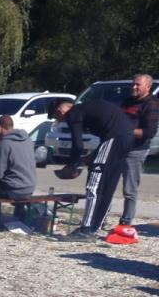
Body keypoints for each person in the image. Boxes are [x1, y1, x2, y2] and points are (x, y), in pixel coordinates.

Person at [48, 97, 133, 239]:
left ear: (60, 111)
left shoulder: (74, 113)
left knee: (95, 185)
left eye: (57, 117)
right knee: (107, 186)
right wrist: (90, 157)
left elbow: (78, 144)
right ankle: (94, 228)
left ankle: (86, 229)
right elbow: (105, 135)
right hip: (127, 138)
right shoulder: (88, 108)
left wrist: (71, 165)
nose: (61, 121)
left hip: (114, 137)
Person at [0, 114, 38, 234]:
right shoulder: (28, 140)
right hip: (30, 187)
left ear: (0, 128)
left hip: (14, 190)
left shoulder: (5, 144)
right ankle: (20, 215)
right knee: (16, 180)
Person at [119, 74, 158, 226]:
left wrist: (127, 131)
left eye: (138, 85)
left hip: (136, 150)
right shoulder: (127, 101)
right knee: (107, 184)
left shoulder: (151, 104)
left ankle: (126, 221)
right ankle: (100, 218)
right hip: (118, 147)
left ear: (148, 87)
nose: (134, 87)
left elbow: (149, 132)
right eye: (133, 84)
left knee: (129, 188)